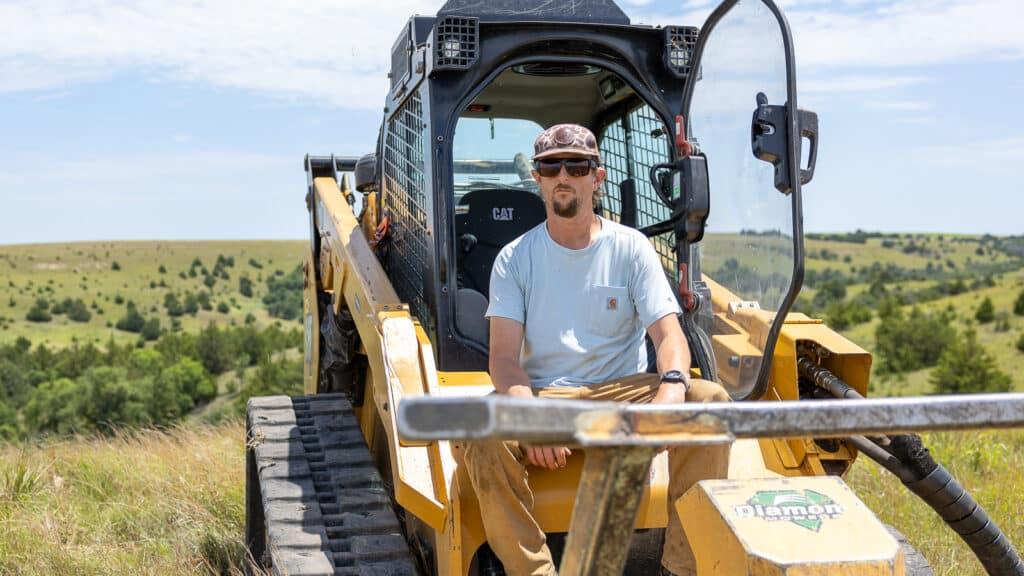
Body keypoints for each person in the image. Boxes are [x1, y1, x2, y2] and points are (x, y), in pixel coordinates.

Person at [461, 123, 731, 576]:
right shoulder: (515, 258)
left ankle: (681, 567)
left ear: (597, 177)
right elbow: (505, 360)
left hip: (624, 392)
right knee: (480, 432)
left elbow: (670, 337)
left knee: (712, 405)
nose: (563, 175)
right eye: (551, 167)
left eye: (576, 166)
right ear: (537, 178)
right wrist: (531, 418)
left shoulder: (632, 248)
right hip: (550, 395)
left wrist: (671, 389)